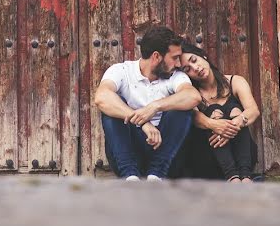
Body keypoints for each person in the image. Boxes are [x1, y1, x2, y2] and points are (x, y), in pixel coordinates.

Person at [93, 26, 202, 181]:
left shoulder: (175, 76)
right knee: (112, 109)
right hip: (129, 153)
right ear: (156, 56)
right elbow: (102, 97)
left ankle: (156, 176)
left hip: (166, 155)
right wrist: (142, 122)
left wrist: (155, 106)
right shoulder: (122, 71)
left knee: (183, 109)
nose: (178, 64)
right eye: (175, 57)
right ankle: (130, 177)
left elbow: (193, 96)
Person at [179, 40, 260, 183]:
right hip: (209, 160)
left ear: (203, 56)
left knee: (237, 112)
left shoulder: (235, 81)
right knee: (214, 110)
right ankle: (234, 178)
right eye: (187, 69)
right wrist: (215, 125)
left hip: (242, 157)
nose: (195, 68)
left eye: (194, 60)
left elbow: (253, 111)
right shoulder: (192, 93)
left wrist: (232, 125)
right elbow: (196, 118)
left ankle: (245, 178)